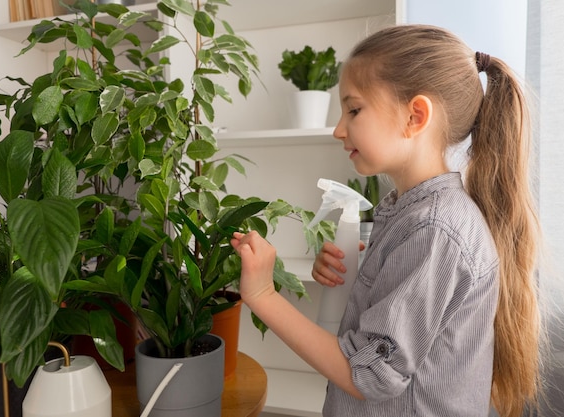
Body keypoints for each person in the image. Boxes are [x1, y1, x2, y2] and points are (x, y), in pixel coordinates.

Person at [231, 24, 541, 417]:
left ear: (415, 116)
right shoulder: (412, 213)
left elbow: (371, 376)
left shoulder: (434, 229)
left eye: (354, 109)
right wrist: (361, 277)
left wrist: (262, 295)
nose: (338, 129)